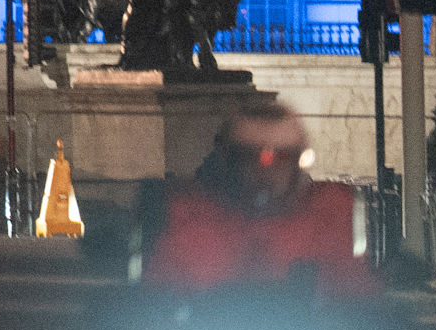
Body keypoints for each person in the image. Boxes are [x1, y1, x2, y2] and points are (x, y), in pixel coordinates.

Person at [144, 97, 373, 302]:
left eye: (281, 159)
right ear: (227, 162)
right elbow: (156, 298)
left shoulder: (329, 213)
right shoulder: (188, 216)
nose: (265, 171)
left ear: (298, 163)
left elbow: (358, 297)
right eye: (248, 158)